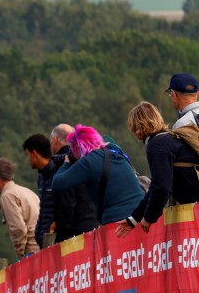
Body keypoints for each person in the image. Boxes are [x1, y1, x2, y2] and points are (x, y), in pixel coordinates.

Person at [116, 102, 199, 237]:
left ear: (136, 126)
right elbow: (156, 185)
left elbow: (162, 188)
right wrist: (133, 219)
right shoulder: (168, 139)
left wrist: (149, 218)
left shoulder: (157, 145)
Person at [51, 124, 144, 225]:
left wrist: (66, 163)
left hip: (119, 220)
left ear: (77, 147)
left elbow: (57, 183)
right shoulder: (113, 151)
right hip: (140, 213)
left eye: (72, 149)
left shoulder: (89, 162)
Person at [48, 124, 99, 242]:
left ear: (55, 140)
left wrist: (61, 235)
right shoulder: (83, 158)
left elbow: (67, 202)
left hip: (75, 234)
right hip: (92, 225)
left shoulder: (64, 162)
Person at [0, 157, 40, 260]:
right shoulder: (27, 191)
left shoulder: (7, 196)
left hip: (31, 252)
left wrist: (21, 256)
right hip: (43, 248)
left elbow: (18, 229)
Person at [22, 134, 57, 248]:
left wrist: (53, 227)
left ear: (34, 154)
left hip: (56, 242)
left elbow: (66, 206)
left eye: (27, 155)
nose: (27, 160)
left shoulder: (58, 174)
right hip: (42, 242)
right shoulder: (41, 178)